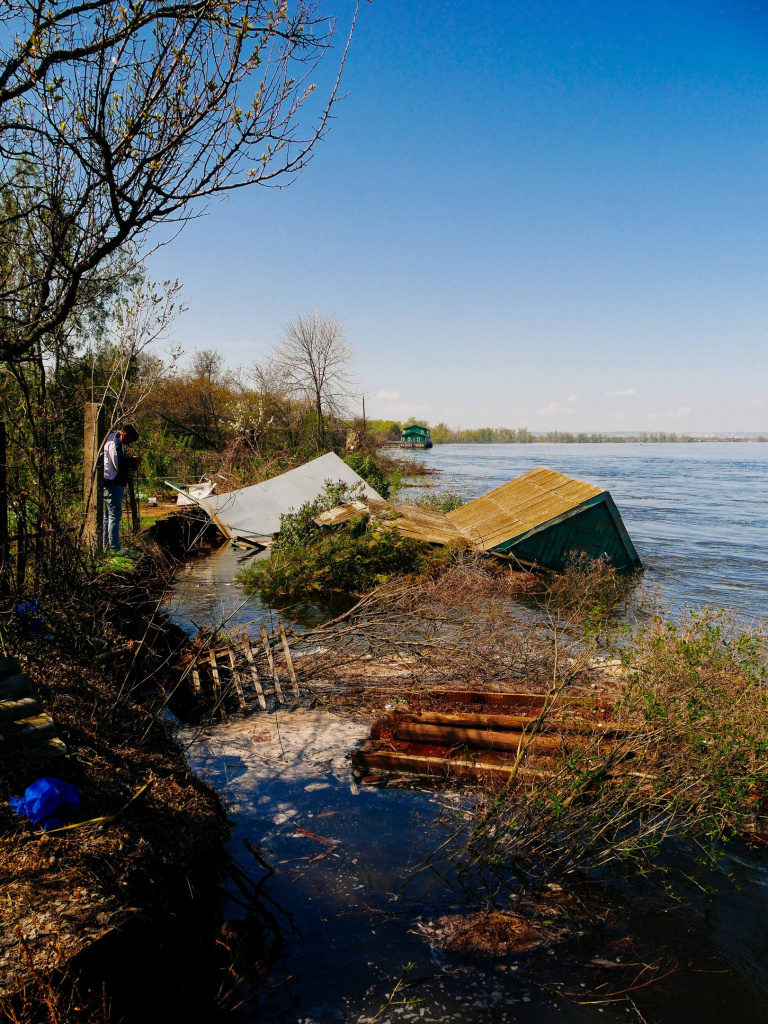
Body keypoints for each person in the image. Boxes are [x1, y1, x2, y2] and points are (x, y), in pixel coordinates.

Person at [103, 424, 141, 551]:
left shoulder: (112, 439)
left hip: (110, 483)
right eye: (129, 440)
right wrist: (133, 461)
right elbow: (118, 464)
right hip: (113, 483)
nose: (128, 443)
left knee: (108, 516)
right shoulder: (115, 442)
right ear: (125, 434)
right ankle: (115, 548)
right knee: (114, 516)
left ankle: (106, 546)